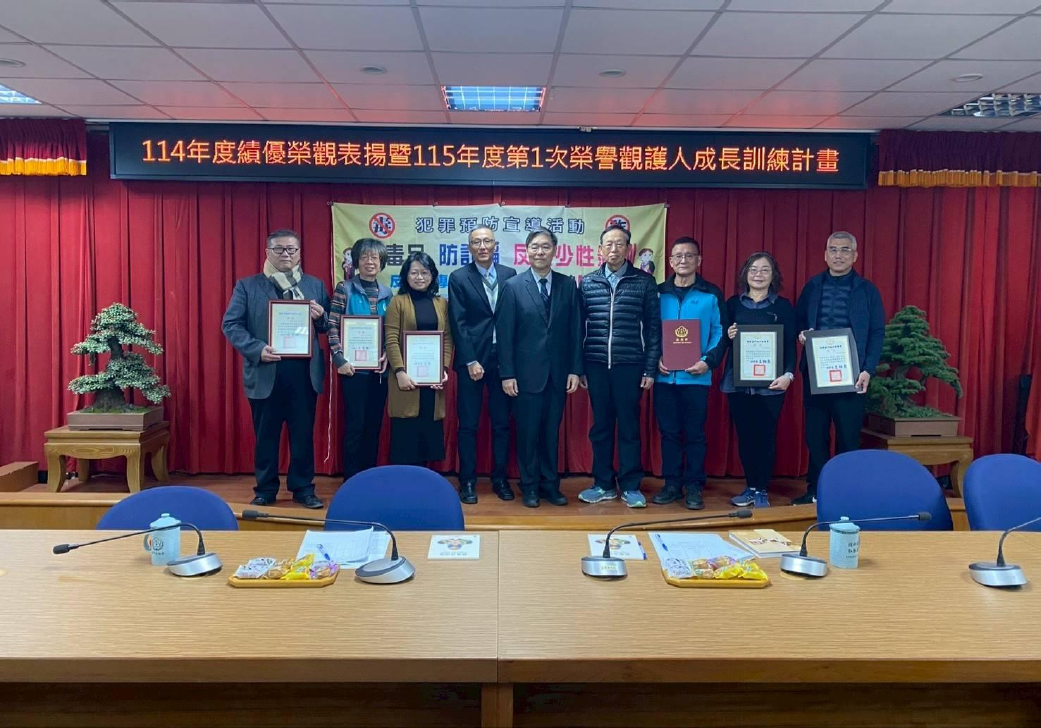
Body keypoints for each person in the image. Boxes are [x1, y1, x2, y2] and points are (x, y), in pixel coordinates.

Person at [221, 228, 329, 509]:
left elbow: (327, 327)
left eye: (291, 249)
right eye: (279, 249)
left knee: (303, 436)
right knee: (266, 437)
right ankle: (265, 489)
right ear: (268, 252)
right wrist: (257, 349)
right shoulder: (247, 286)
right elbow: (231, 324)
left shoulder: (314, 285)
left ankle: (303, 488)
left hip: (304, 375)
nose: (286, 254)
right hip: (265, 372)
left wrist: (321, 316)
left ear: (299, 253)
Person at [794, 231, 885, 505]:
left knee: (848, 437)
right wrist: (802, 335)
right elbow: (799, 321)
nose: (838, 255)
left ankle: (846, 493)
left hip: (853, 376)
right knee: (816, 435)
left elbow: (877, 331)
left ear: (855, 256)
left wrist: (868, 369)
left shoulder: (867, 290)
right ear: (825, 255)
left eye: (845, 250)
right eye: (833, 249)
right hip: (816, 374)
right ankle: (815, 490)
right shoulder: (812, 286)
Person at [496, 228, 583, 508]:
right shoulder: (513, 286)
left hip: (558, 375)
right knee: (527, 434)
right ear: (527, 251)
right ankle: (529, 486)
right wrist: (507, 373)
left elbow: (576, 330)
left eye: (545, 247)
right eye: (534, 247)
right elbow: (504, 334)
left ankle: (550, 485)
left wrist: (575, 369)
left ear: (555, 251)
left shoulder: (568, 285)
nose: (540, 252)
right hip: (524, 376)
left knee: (550, 434)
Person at [577, 224, 662, 508]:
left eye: (619, 244)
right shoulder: (588, 282)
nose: (613, 249)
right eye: (608, 244)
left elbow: (653, 329)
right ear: (600, 249)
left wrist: (650, 368)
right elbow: (578, 328)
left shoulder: (644, 282)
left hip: (630, 365)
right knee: (601, 426)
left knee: (628, 426)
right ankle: (603, 483)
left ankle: (630, 485)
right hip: (596, 364)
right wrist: (580, 367)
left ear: (628, 249)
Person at [720, 252, 797, 510]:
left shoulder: (782, 307)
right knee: (745, 437)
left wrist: (788, 375)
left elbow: (790, 344)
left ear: (773, 276)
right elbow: (721, 340)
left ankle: (762, 489)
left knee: (765, 437)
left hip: (772, 386)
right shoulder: (733, 304)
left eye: (765, 270)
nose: (758, 274)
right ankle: (750, 487)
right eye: (753, 269)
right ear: (745, 274)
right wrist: (729, 335)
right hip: (738, 384)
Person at [447, 226, 517, 504]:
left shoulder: (509, 275)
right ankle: (467, 481)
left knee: (502, 423)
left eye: (487, 241)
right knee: (468, 424)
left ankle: (500, 479)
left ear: (495, 245)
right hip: (472, 361)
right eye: (477, 242)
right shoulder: (459, 277)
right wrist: (470, 359)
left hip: (503, 360)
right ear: (469, 247)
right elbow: (458, 321)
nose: (483, 246)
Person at [652, 237, 723, 510]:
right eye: (678, 256)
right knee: (668, 433)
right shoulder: (659, 293)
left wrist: (708, 361)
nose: (683, 260)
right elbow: (649, 330)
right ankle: (671, 484)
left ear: (698, 260)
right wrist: (656, 358)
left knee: (694, 434)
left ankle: (693, 485)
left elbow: (719, 332)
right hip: (664, 377)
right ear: (670, 261)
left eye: (689, 255)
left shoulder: (711, 294)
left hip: (696, 377)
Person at [328, 238, 391, 482]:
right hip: (352, 369)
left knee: (374, 426)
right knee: (355, 425)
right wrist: (339, 358)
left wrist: (386, 352)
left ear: (382, 262)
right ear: (356, 261)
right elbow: (333, 325)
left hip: (379, 370)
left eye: (375, 257)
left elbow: (390, 330)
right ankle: (352, 479)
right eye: (364, 257)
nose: (369, 262)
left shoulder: (387, 293)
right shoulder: (345, 288)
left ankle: (369, 478)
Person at [384, 251, 454, 468]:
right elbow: (391, 339)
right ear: (406, 276)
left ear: (433, 275)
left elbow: (448, 338)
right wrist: (400, 372)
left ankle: (424, 481)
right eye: (414, 272)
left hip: (432, 383)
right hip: (406, 380)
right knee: (405, 437)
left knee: (427, 438)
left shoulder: (441, 303)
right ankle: (404, 483)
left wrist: (443, 370)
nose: (419, 277)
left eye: (425, 272)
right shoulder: (397, 302)